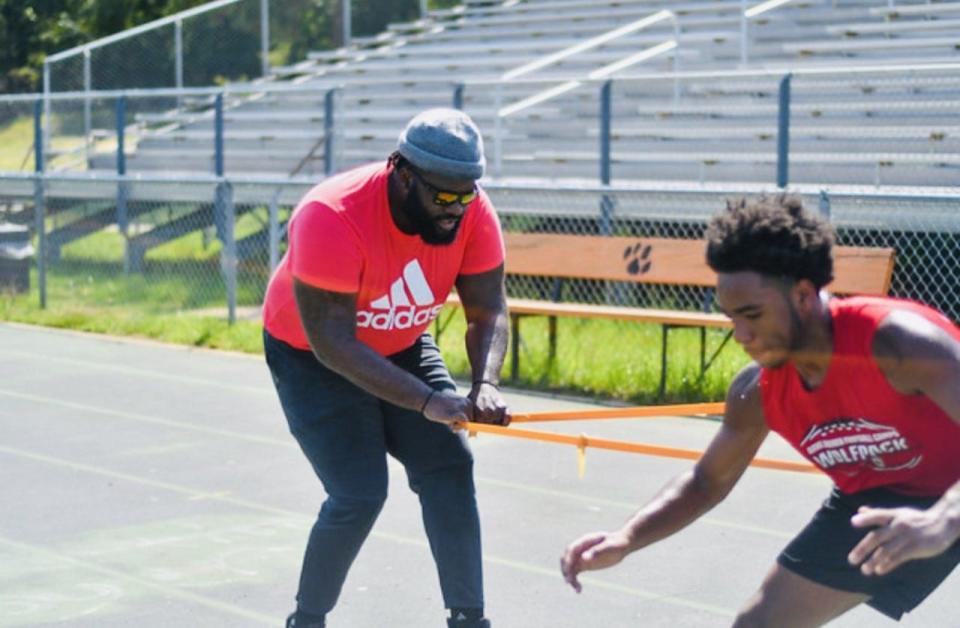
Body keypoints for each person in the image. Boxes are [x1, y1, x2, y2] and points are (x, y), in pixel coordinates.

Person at [560, 195, 960, 626]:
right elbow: (706, 481)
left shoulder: (898, 343)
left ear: (803, 295)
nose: (741, 334)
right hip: (878, 502)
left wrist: (944, 519)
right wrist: (626, 537)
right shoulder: (759, 392)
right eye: (733, 317)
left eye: (753, 314)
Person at [263, 108, 510, 628]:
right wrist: (426, 400)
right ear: (401, 172)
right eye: (443, 195)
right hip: (313, 356)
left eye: (466, 194)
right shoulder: (332, 215)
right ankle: (306, 619)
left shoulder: (472, 210)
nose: (455, 209)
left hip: (400, 343)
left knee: (448, 465)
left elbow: (488, 310)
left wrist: (484, 383)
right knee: (359, 491)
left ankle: (469, 619)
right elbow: (333, 341)